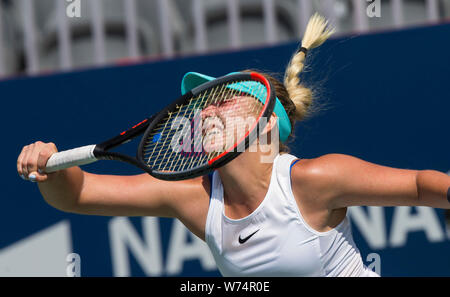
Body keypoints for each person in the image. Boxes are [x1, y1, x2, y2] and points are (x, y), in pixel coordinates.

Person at [16, 14, 450, 277]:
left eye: (221, 100)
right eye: (201, 105)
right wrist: (48, 166)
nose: (204, 112)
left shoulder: (312, 182)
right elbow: (77, 193)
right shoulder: (192, 198)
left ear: (266, 124)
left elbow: (418, 185)